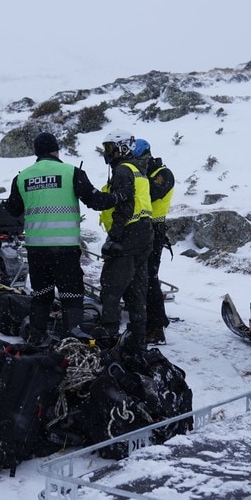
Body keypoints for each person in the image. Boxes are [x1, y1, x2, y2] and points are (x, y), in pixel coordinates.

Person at [6, 132, 118, 345]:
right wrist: (118, 197)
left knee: (41, 292)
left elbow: (13, 209)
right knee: (71, 292)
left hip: (37, 248)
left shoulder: (22, 177)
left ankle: (37, 335)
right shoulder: (71, 172)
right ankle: (73, 333)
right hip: (65, 248)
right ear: (56, 150)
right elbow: (95, 201)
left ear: (37, 153)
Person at [96, 129, 154, 350]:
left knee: (111, 288)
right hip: (144, 234)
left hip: (128, 235)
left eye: (110, 148)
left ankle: (109, 340)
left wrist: (114, 237)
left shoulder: (122, 170)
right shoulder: (138, 169)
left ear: (122, 147)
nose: (107, 153)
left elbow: (125, 206)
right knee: (137, 290)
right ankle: (138, 341)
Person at [133, 138, 175, 345]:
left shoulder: (162, 175)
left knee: (149, 279)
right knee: (139, 279)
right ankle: (145, 321)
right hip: (139, 230)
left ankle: (157, 327)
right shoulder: (145, 175)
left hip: (154, 231)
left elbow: (150, 193)